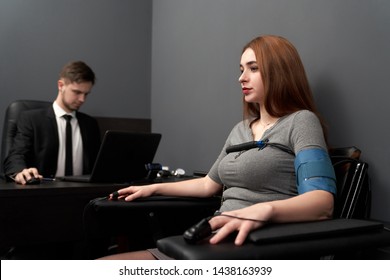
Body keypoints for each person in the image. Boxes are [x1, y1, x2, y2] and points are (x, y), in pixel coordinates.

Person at [99, 35, 336, 260]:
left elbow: (322, 203)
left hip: (260, 244)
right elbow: (207, 185)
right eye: (241, 69)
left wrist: (263, 211)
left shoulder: (301, 121)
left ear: (280, 71)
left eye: (253, 68)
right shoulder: (240, 129)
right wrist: (153, 188)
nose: (242, 78)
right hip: (214, 238)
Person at [3, 61, 101, 185]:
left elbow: (98, 164)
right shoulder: (32, 119)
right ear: (61, 85)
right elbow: (15, 155)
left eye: (86, 94)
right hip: (45, 192)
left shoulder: (90, 124)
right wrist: (20, 172)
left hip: (81, 192)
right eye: (77, 92)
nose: (82, 99)